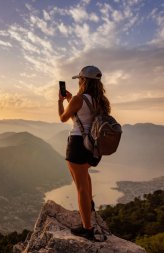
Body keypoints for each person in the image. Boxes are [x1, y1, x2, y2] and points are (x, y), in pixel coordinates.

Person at [58, 65, 111, 240]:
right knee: (85, 177)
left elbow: (63, 118)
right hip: (94, 146)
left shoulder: (79, 99)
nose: (79, 81)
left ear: (83, 81)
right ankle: (90, 206)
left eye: (80, 79)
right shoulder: (102, 101)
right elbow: (85, 117)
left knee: (80, 188)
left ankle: (87, 228)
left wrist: (60, 101)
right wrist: (71, 100)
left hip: (78, 145)